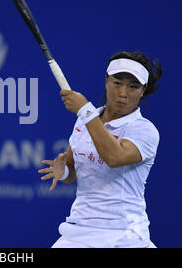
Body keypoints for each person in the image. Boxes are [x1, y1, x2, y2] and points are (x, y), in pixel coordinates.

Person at [38, 51, 162, 248]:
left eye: (133, 86)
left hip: (124, 234)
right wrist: (64, 172)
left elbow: (115, 157)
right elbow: (73, 170)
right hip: (79, 229)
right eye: (117, 82)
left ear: (142, 91)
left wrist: (85, 111)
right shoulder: (85, 121)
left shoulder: (144, 130)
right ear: (106, 81)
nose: (123, 93)